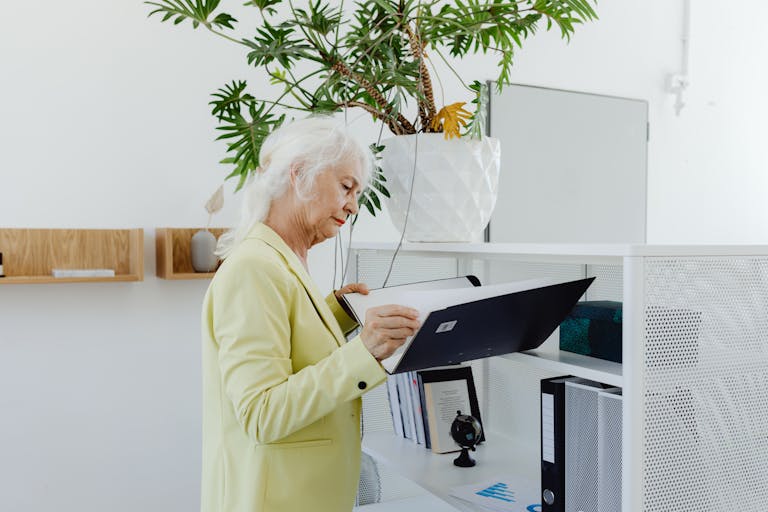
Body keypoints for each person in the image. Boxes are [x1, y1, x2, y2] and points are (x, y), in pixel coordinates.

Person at [200, 116, 421, 512]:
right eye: (346, 187)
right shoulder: (254, 268)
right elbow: (261, 413)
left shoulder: (280, 262)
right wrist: (364, 353)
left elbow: (286, 347)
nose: (353, 206)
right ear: (300, 174)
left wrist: (335, 314)